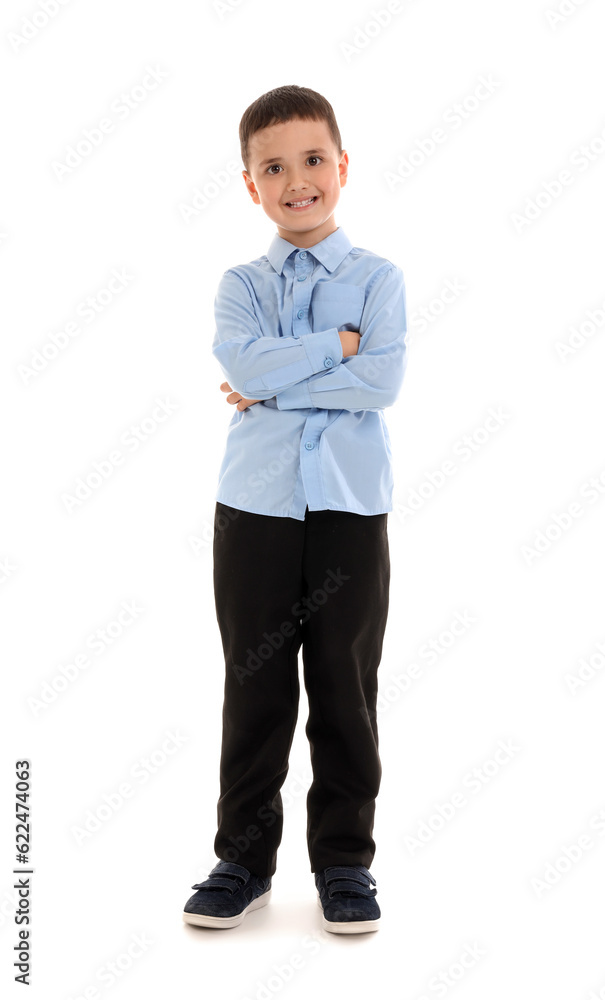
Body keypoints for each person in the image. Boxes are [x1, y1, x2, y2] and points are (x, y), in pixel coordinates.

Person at [183, 84, 408, 935]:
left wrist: (271, 383)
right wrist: (330, 352)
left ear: (341, 166)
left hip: (350, 509)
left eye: (312, 160)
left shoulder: (377, 279)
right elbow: (243, 356)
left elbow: (382, 382)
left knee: (345, 688)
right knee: (255, 685)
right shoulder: (241, 284)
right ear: (250, 184)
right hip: (254, 512)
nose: (295, 180)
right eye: (272, 168)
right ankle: (240, 860)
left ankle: (345, 864)